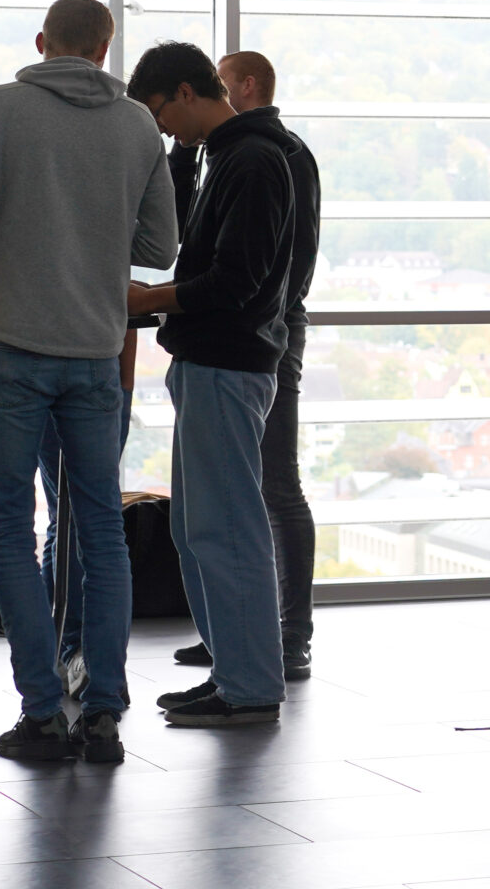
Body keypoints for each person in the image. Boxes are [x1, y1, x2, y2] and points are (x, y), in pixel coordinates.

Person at [0, 0, 179, 762]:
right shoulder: (138, 124)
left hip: (13, 344)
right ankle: (103, 711)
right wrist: (95, 244)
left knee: (11, 530)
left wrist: (1, 239)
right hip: (96, 352)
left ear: (42, 42)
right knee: (101, 531)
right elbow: (160, 246)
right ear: (105, 49)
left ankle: (41, 712)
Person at [125, 43, 298, 729]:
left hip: (230, 363)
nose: (163, 128)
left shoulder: (254, 160)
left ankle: (251, 685)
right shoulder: (224, 156)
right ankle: (235, 672)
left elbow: (238, 280)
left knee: (227, 529)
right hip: (214, 362)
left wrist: (149, 301)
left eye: (161, 112)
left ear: (186, 93)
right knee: (202, 528)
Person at [168, 51, 322, 682]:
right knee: (225, 497)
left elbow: (286, 258)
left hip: (263, 331)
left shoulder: (276, 154)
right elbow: (183, 231)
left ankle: (289, 636)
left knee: (273, 484)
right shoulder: (217, 154)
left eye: (224, 84)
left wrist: (268, 324)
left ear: (247, 86)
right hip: (248, 329)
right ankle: (237, 635)